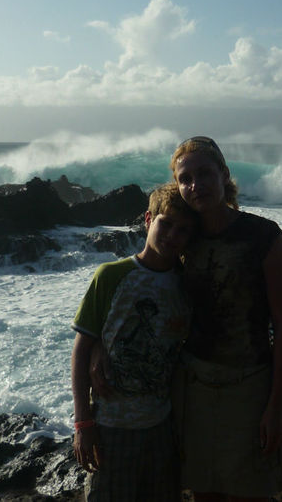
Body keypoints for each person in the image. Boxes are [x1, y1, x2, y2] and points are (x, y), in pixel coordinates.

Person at [170, 136, 282, 501]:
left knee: (252, 492)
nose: (196, 185)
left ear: (224, 174)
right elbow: (142, 290)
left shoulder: (263, 237)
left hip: (249, 387)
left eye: (205, 173)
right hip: (193, 389)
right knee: (204, 492)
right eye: (186, 178)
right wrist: (96, 347)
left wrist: (276, 407)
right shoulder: (180, 237)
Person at [71, 182, 198, 502]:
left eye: (182, 230)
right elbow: (82, 348)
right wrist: (83, 421)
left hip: (162, 430)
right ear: (147, 220)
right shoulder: (110, 276)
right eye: (165, 224)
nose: (171, 236)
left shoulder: (187, 285)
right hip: (111, 429)